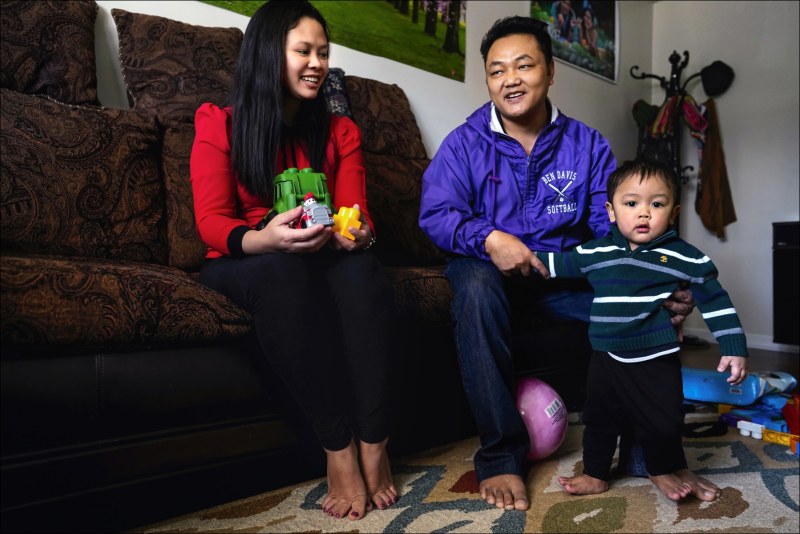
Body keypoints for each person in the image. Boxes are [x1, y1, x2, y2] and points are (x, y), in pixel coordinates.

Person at [418, 15, 695, 512]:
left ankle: (648, 450)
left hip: (562, 271)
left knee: (643, 306)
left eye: (524, 65)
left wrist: (651, 275)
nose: (510, 79)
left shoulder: (586, 145)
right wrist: (489, 237)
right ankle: (502, 458)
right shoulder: (464, 143)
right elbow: (436, 214)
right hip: (488, 271)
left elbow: (610, 226)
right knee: (475, 287)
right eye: (497, 70)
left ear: (549, 72)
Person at [189, 0, 396, 521]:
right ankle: (338, 449)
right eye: (303, 50)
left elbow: (358, 215)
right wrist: (266, 238)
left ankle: (375, 442)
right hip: (249, 256)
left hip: (320, 251)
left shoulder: (340, 132)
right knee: (281, 272)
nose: (317, 63)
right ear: (267, 54)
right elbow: (211, 222)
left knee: (363, 271)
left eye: (324, 53)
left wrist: (358, 234)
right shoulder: (220, 124)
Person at [534, 159, 748, 501]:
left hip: (655, 354)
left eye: (657, 204)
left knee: (663, 419)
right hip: (605, 353)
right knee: (599, 418)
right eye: (631, 203)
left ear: (673, 212)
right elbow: (554, 264)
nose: (644, 213)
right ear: (612, 211)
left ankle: (661, 467)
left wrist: (733, 345)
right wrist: (518, 257)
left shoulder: (683, 257)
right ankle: (595, 473)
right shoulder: (597, 251)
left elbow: (715, 299)